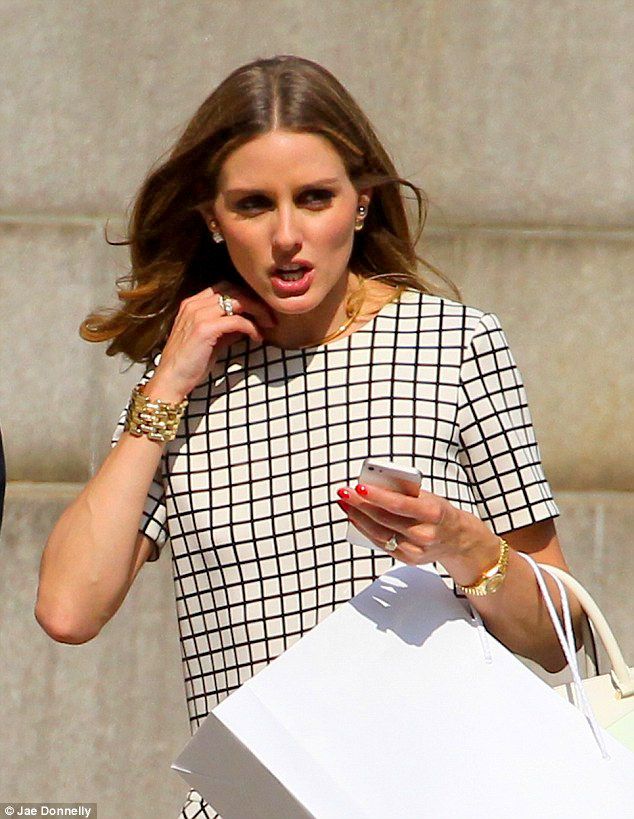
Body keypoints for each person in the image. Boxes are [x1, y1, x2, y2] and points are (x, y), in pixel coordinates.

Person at [36, 55, 582, 819]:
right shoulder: (190, 379)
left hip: (440, 795)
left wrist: (463, 545)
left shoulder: (454, 344)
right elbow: (68, 608)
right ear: (212, 219)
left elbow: (561, 635)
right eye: (254, 204)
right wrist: (163, 388)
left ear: (361, 202)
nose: (287, 236)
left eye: (315, 198)